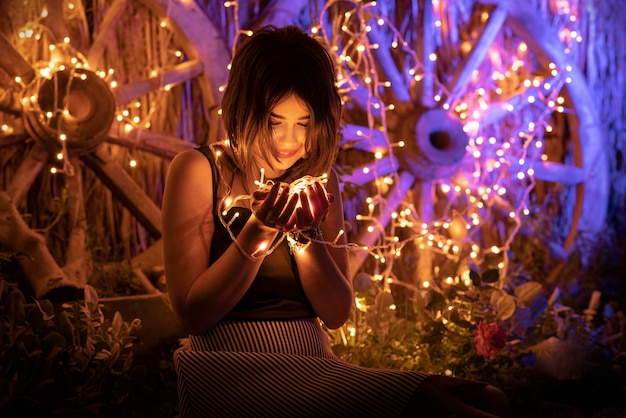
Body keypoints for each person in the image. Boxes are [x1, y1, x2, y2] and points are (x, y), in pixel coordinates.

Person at [162, 25, 510, 417]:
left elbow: (336, 312)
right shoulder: (198, 170)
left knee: (488, 399)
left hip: (313, 359)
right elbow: (193, 314)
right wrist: (257, 233)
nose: (289, 141)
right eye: (275, 122)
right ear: (244, 111)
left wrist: (304, 237)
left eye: (304, 123)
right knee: (442, 409)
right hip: (231, 368)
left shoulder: (317, 178)